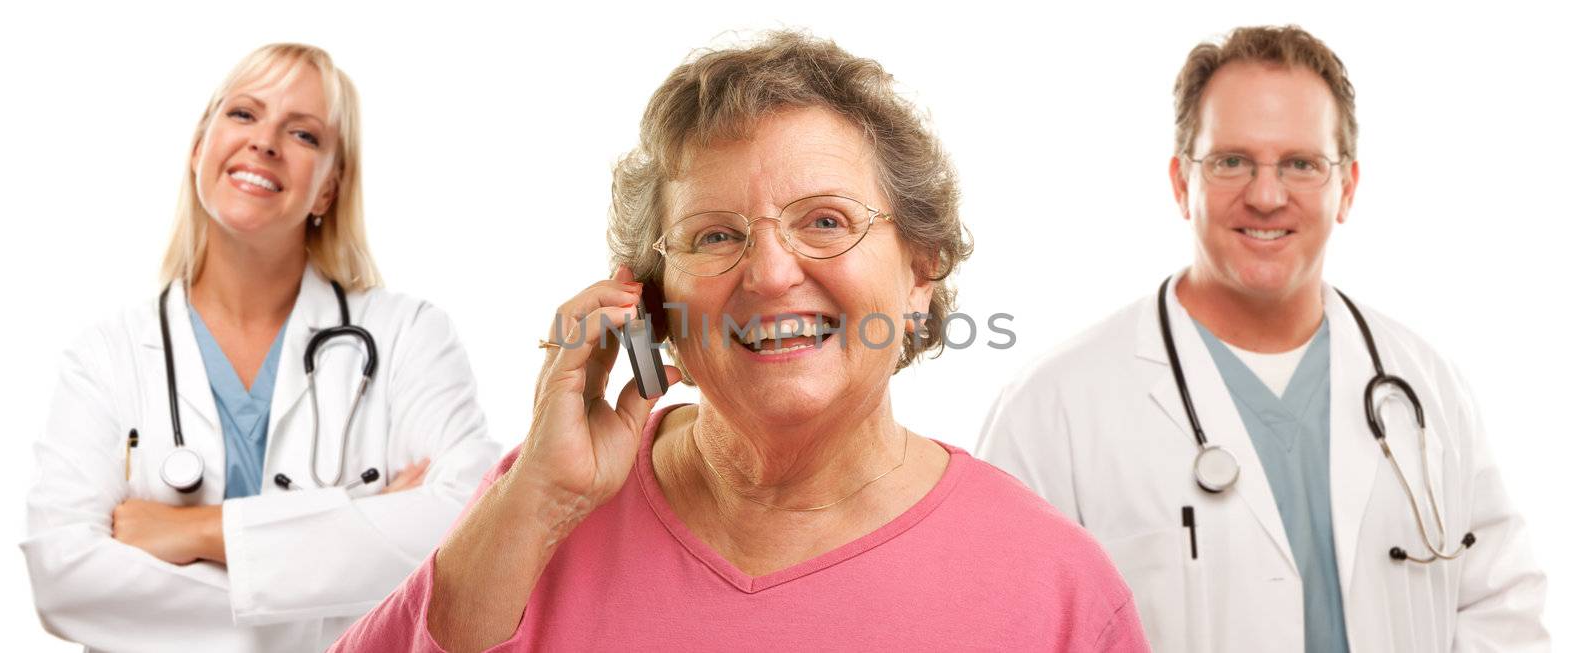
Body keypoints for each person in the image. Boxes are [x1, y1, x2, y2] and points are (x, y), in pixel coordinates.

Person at [333, 31, 1147, 652]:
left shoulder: (1055, 586)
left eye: (826, 221)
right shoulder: (538, 503)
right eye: (715, 235)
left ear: (919, 273)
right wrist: (538, 502)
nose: (769, 271)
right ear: (652, 301)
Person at [978, 25, 1547, 652]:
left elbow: (1502, 610)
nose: (1267, 196)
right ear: (1180, 182)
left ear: (1347, 188)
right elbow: (1008, 628)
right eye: (1231, 162)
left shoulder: (1427, 387)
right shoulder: (1053, 408)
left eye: (1301, 164)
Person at [20, 43, 501, 652]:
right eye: (244, 114)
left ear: (329, 189)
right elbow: (63, 579)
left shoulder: (408, 336)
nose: (265, 142)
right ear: (200, 148)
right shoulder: (107, 355)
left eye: (303, 134)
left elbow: (469, 525)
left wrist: (196, 531)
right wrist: (349, 553)